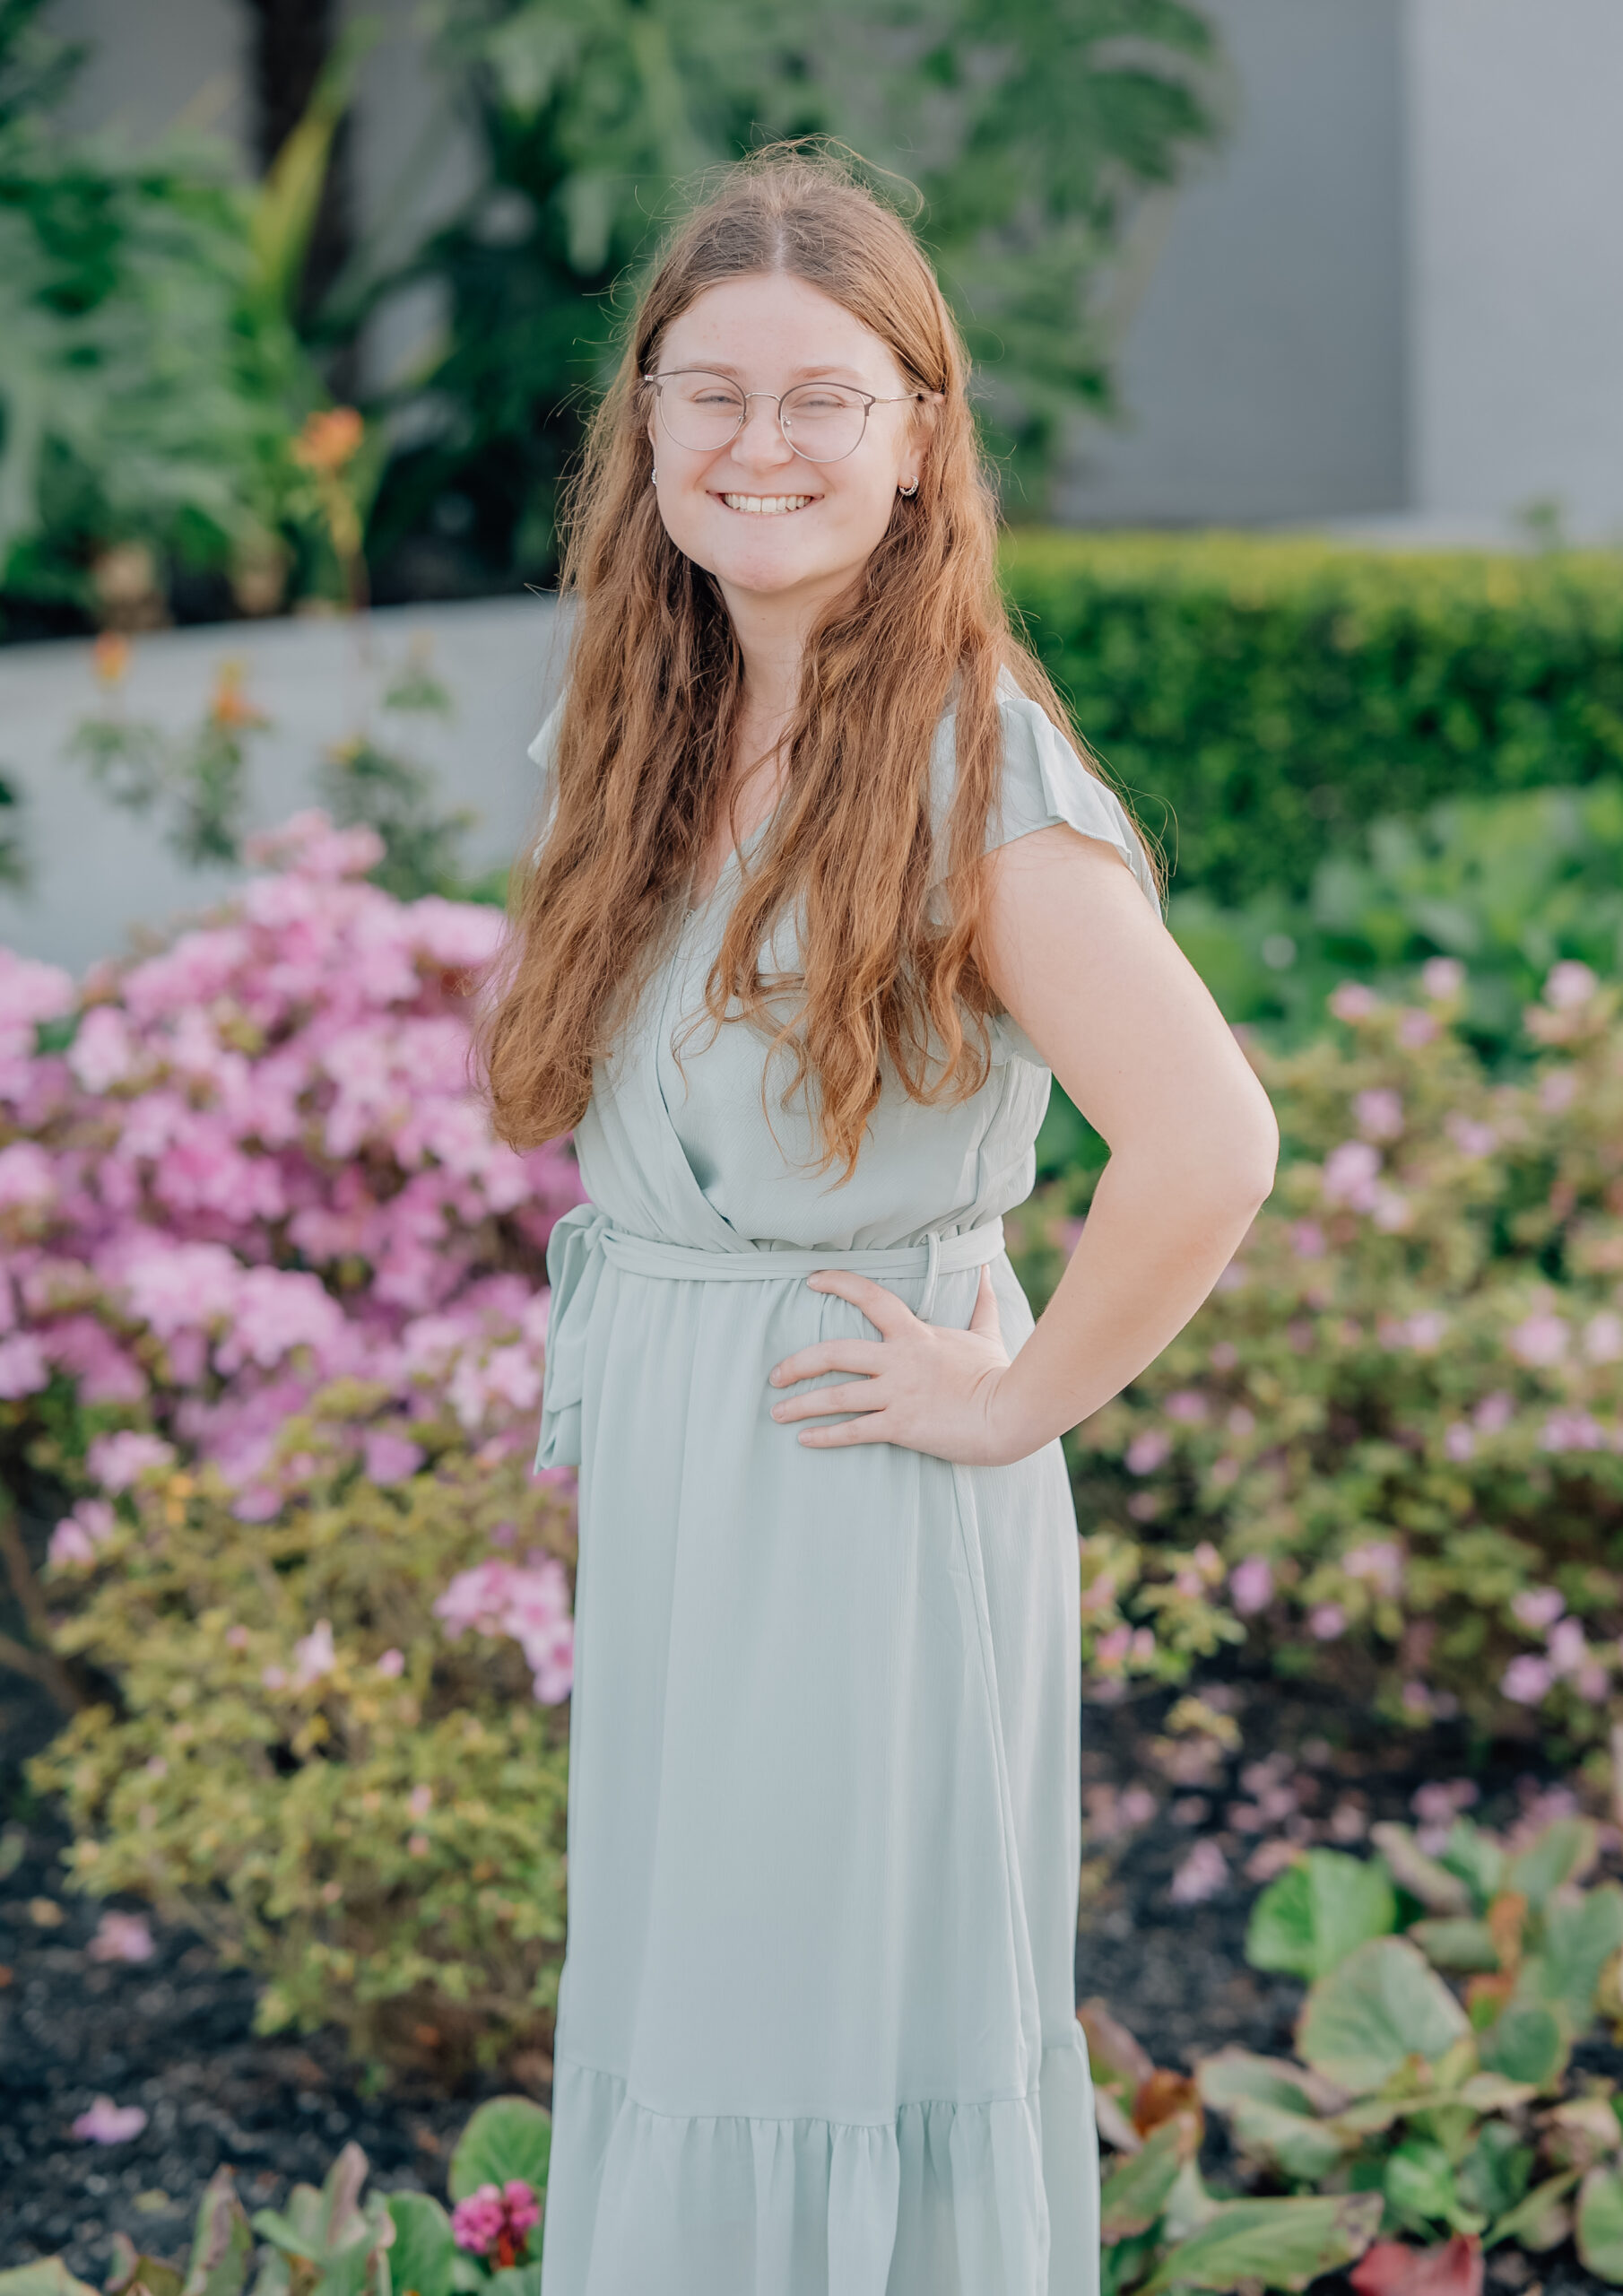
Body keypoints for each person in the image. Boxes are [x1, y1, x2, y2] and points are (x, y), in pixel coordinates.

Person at [478, 143, 1279, 2296]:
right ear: (642, 426)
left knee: (819, 2037)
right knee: (695, 2007)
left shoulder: (967, 767)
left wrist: (1015, 1398)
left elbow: (1207, 1142)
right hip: (684, 1470)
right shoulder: (651, 720)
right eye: (708, 392)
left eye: (821, 396)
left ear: (919, 438)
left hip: (853, 1474)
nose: (759, 445)